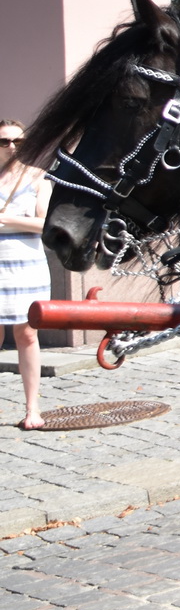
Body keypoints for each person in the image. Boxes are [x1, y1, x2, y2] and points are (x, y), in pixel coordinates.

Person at [1, 120, 51, 430]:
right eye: (5, 141)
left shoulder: (37, 178)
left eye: (19, 141)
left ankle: (33, 408)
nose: (12, 147)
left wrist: (4, 219)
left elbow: (44, 224)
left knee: (27, 334)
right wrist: (19, 221)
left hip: (27, 265)